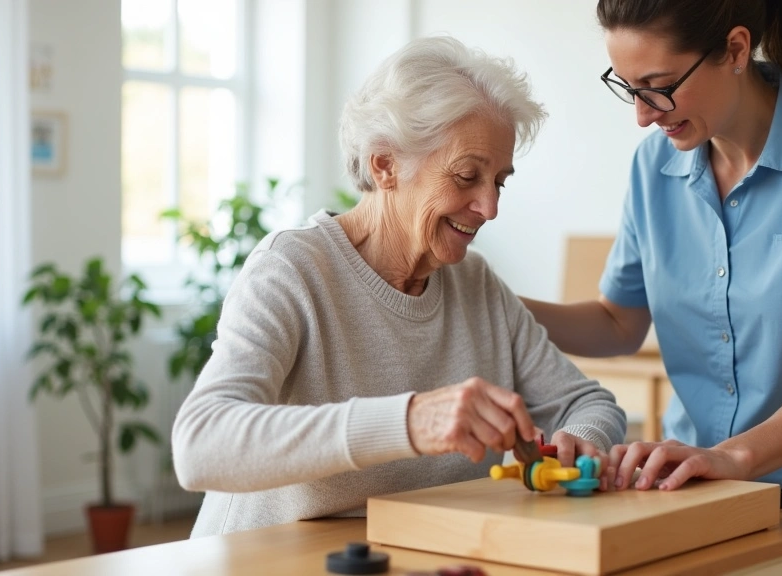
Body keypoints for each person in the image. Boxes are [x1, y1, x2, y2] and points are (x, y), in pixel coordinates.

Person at [520, 1, 782, 573]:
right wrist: (488, 302)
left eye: (660, 86)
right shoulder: (654, 168)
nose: (644, 117)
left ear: (737, 50)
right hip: (707, 502)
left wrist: (725, 458)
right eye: (629, 89)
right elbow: (618, 323)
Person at [172, 36, 626, 538]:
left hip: (414, 556)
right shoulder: (293, 269)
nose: (490, 207)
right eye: (467, 176)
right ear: (384, 165)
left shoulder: (475, 285)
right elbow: (201, 446)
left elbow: (589, 404)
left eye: (499, 181)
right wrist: (410, 421)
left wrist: (578, 442)